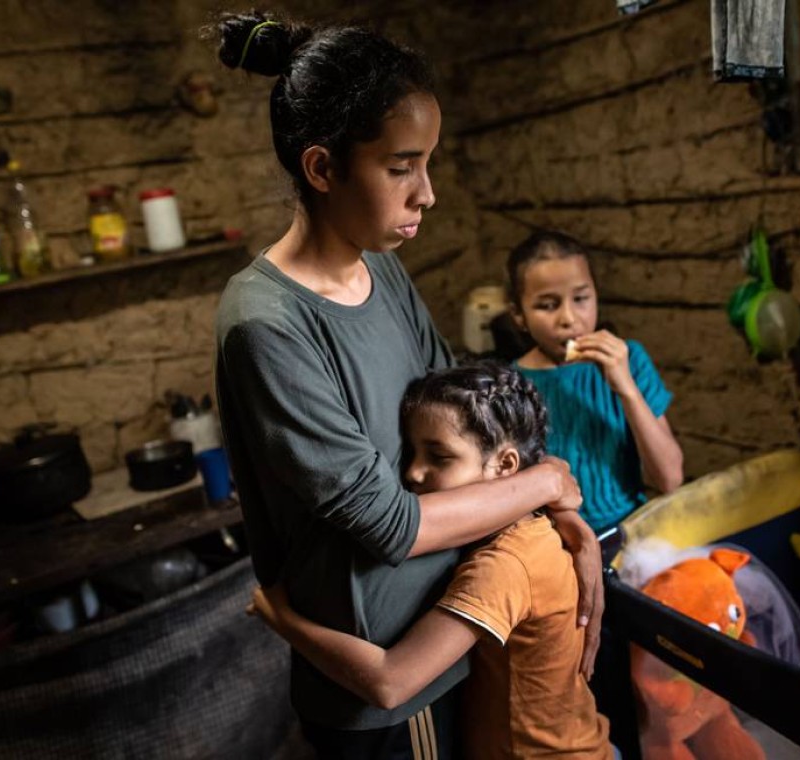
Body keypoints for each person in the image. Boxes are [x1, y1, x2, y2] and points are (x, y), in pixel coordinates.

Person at [212, 13, 601, 759]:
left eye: (427, 164)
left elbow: (464, 413)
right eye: (401, 167)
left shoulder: (378, 268)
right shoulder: (267, 325)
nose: (426, 194)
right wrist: (550, 480)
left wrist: (559, 519)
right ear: (323, 169)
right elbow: (391, 524)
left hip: (442, 631)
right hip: (386, 680)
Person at [250, 363, 616, 759]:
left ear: (506, 466)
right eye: (411, 452)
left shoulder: (506, 564)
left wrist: (283, 618)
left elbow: (391, 682)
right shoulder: (532, 524)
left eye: (438, 457)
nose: (412, 472)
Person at [508, 230, 684, 534]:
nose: (569, 318)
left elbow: (669, 478)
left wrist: (625, 387)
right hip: (550, 544)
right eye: (548, 305)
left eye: (580, 299)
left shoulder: (630, 361)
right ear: (519, 315)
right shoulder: (510, 386)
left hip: (628, 532)